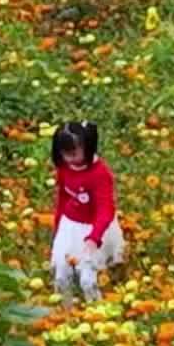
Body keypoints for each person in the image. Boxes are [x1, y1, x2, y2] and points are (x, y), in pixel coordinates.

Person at [49, 120, 125, 304]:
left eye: (73, 153)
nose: (69, 159)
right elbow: (63, 198)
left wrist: (94, 238)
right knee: (61, 272)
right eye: (64, 154)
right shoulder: (64, 168)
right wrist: (58, 227)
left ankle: (96, 310)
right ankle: (65, 310)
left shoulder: (100, 174)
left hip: (94, 228)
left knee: (87, 278)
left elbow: (105, 210)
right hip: (70, 225)